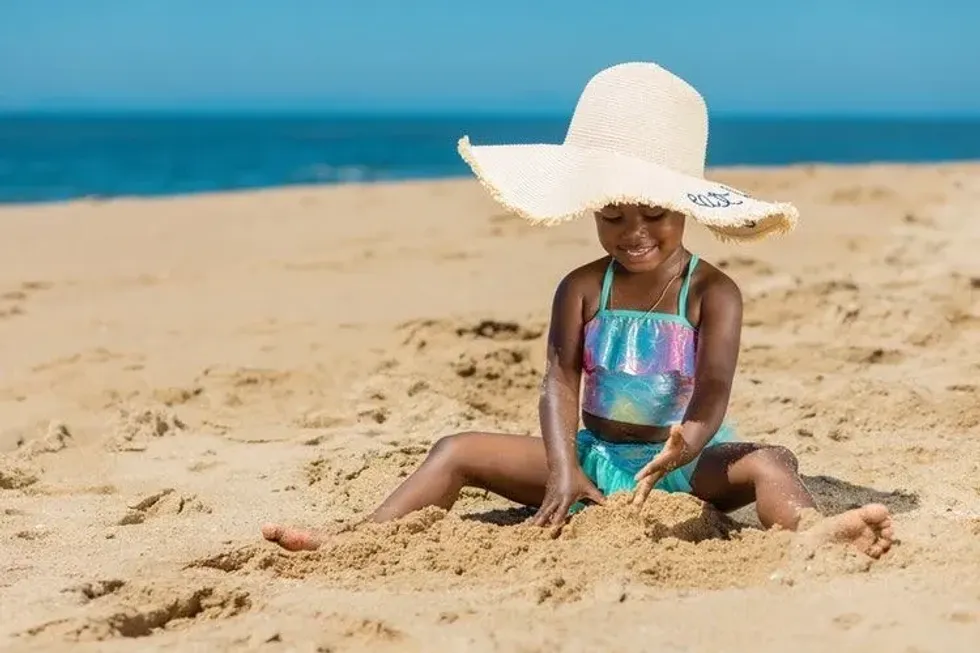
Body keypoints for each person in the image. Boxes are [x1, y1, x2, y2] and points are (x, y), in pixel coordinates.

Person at [262, 62, 894, 558]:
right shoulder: (582, 288)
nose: (635, 233)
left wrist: (687, 444)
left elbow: (715, 387)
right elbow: (560, 381)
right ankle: (354, 542)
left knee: (772, 461)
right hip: (591, 456)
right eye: (614, 216)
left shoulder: (712, 292)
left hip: (679, 463)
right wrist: (564, 467)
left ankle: (818, 534)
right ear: (592, 208)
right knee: (454, 448)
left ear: (686, 209)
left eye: (655, 215)